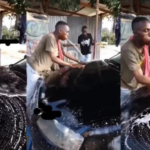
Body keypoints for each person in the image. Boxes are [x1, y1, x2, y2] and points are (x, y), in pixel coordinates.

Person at [26, 21, 84, 116]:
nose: (68, 34)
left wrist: (78, 60)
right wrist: (70, 65)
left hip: (42, 71)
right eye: (67, 32)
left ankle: (31, 112)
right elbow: (53, 58)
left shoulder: (57, 40)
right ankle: (26, 119)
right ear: (60, 30)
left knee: (37, 95)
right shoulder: (50, 38)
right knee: (29, 95)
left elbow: (65, 53)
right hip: (34, 70)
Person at [121, 17, 150, 90]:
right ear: (135, 33)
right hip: (128, 87)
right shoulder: (128, 49)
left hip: (139, 84)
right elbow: (140, 77)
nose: (149, 34)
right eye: (146, 30)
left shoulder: (145, 44)